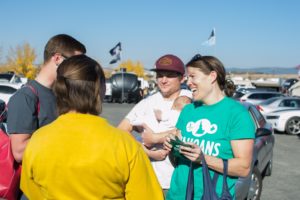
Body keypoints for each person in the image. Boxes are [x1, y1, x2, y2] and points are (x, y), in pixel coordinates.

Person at [20, 55, 164, 199]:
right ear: (99, 90)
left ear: (58, 89)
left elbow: (33, 192)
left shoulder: (37, 141)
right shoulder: (125, 145)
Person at [164, 54, 255, 199]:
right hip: (177, 195)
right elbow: (177, 162)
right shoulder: (188, 110)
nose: (188, 82)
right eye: (187, 78)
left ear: (212, 76)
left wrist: (203, 158)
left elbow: (244, 168)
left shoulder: (237, 114)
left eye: (193, 76)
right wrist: (171, 148)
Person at [118, 54, 192, 196]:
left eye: (169, 75)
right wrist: (146, 152)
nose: (163, 80)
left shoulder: (191, 100)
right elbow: (121, 131)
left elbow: (189, 131)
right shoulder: (147, 102)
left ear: (182, 78)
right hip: (150, 181)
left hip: (182, 184)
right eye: (160, 75)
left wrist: (155, 138)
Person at [7, 34, 86, 163]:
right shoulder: (25, 97)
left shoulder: (62, 95)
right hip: (37, 181)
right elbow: (19, 152)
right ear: (57, 58)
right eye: (75, 62)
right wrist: (64, 134)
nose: (78, 68)